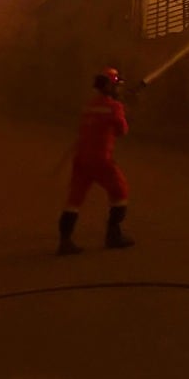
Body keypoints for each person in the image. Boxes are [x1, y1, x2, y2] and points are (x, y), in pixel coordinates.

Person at [58, 68, 133, 255]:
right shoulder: (114, 107)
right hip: (101, 159)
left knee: (74, 200)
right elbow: (122, 131)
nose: (117, 88)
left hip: (82, 158)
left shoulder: (89, 105)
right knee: (120, 192)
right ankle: (113, 236)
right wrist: (122, 110)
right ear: (108, 86)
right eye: (115, 85)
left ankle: (65, 241)